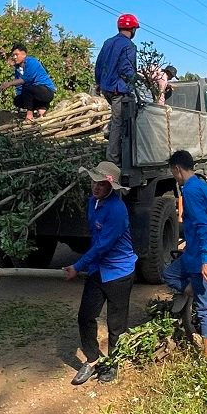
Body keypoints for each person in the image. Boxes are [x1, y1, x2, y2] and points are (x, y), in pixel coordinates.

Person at [63, 161, 137, 385]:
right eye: (94, 182)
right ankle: (92, 359)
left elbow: (103, 245)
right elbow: (95, 241)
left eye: (101, 184)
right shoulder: (92, 203)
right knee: (85, 316)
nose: (96, 187)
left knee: (116, 323)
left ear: (110, 187)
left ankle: (113, 363)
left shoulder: (117, 210)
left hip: (119, 272)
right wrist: (86, 264)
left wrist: (77, 266)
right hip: (98, 269)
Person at [163, 151, 207, 357]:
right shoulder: (203, 186)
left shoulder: (189, 191)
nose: (174, 176)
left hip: (202, 258)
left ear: (177, 169)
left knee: (205, 309)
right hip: (200, 254)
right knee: (170, 273)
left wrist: (206, 260)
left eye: (173, 172)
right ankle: (196, 291)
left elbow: (203, 226)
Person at [95, 14, 139, 166]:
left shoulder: (108, 42)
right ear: (133, 29)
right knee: (120, 122)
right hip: (118, 89)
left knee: (115, 119)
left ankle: (113, 145)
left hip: (106, 87)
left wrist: (99, 83)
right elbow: (127, 69)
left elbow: (99, 64)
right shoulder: (129, 46)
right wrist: (135, 84)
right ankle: (114, 159)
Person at [0, 43, 56, 121]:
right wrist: (22, 99)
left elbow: (27, 79)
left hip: (46, 91)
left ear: (23, 54)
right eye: (13, 55)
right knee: (17, 100)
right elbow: (19, 87)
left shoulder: (32, 62)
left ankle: (30, 114)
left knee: (27, 87)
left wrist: (9, 83)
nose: (14, 57)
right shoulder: (17, 69)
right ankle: (40, 107)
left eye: (16, 54)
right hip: (32, 93)